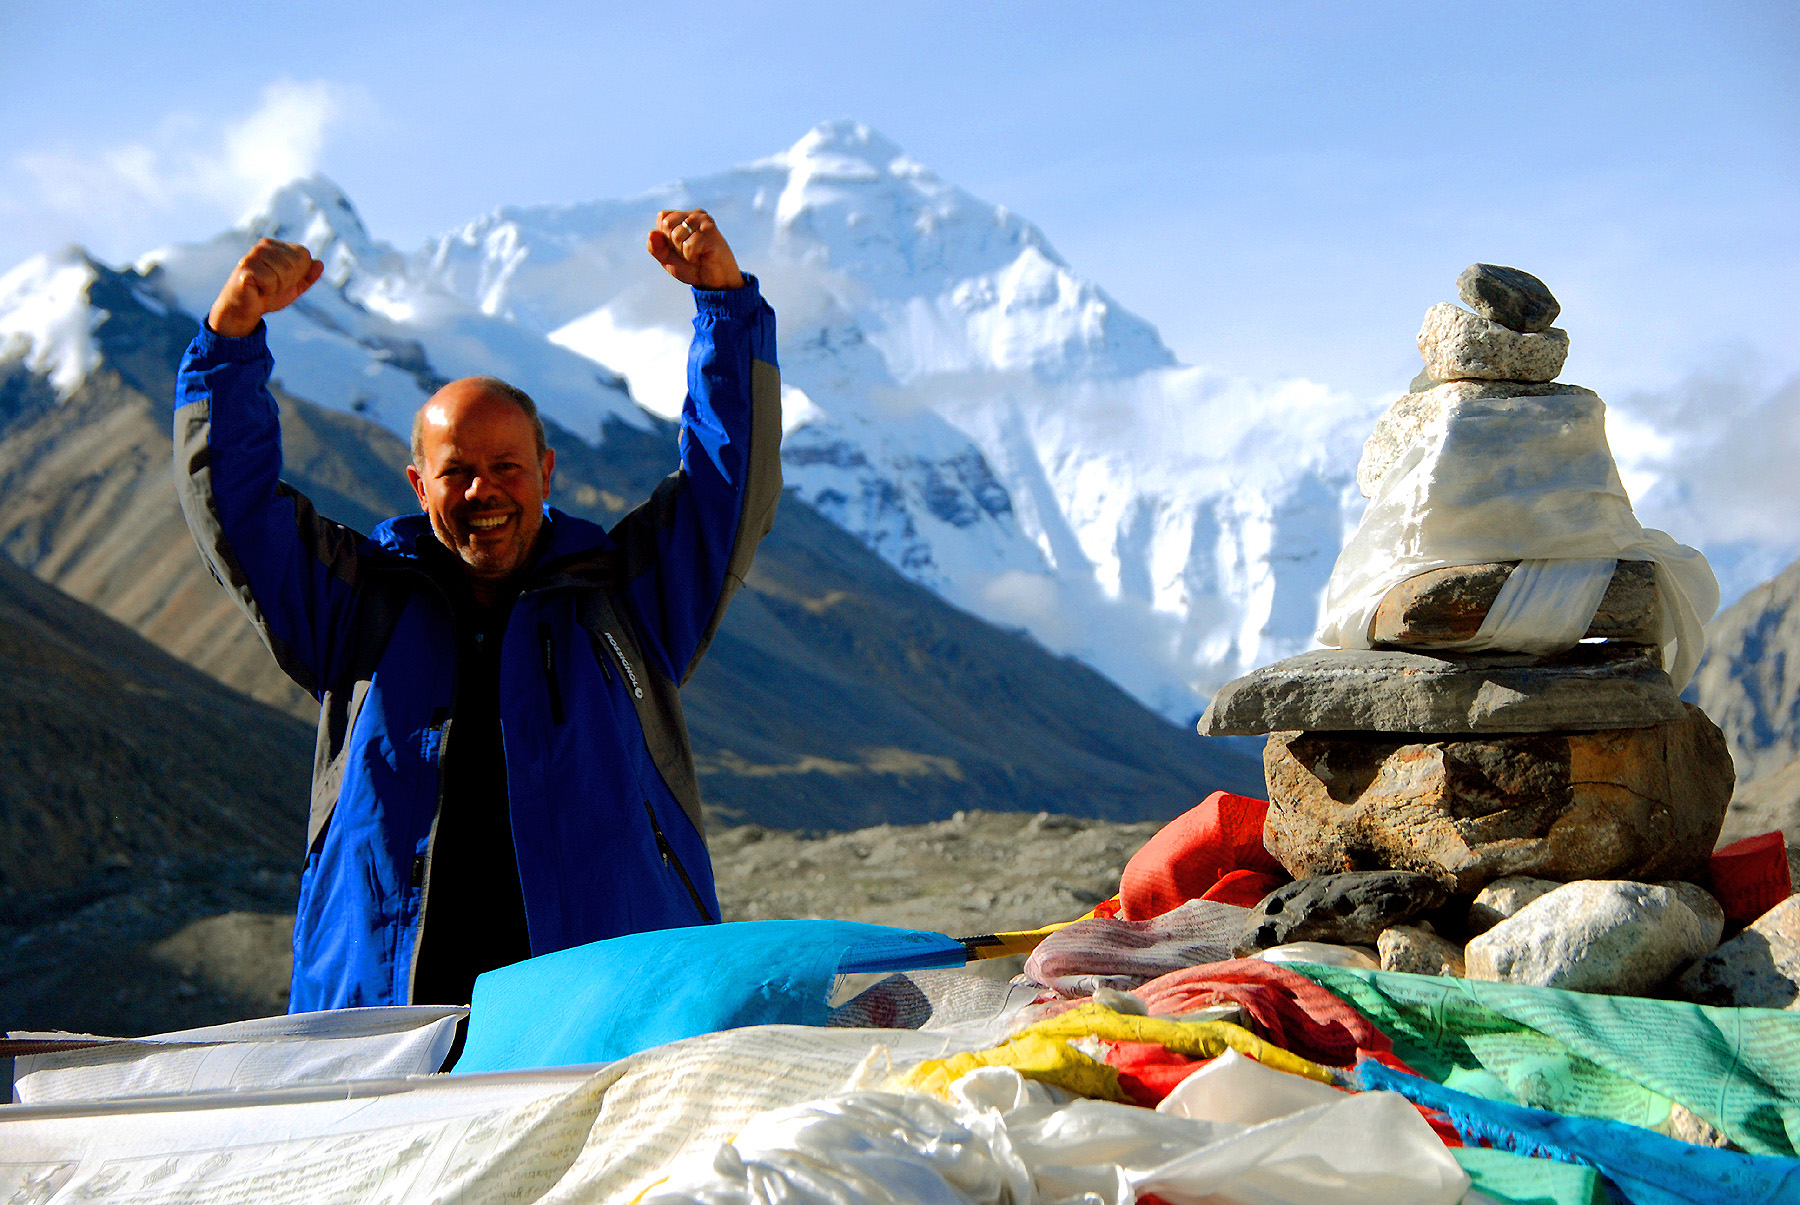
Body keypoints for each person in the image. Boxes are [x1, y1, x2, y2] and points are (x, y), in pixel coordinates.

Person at [174, 212, 780, 1010]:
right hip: (388, 1021)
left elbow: (725, 489)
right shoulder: (356, 603)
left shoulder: (626, 599)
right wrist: (231, 335)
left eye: (506, 467)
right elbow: (237, 513)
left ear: (546, 471)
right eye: (456, 472)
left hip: (601, 1011)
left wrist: (726, 310)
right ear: (418, 486)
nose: (483, 491)